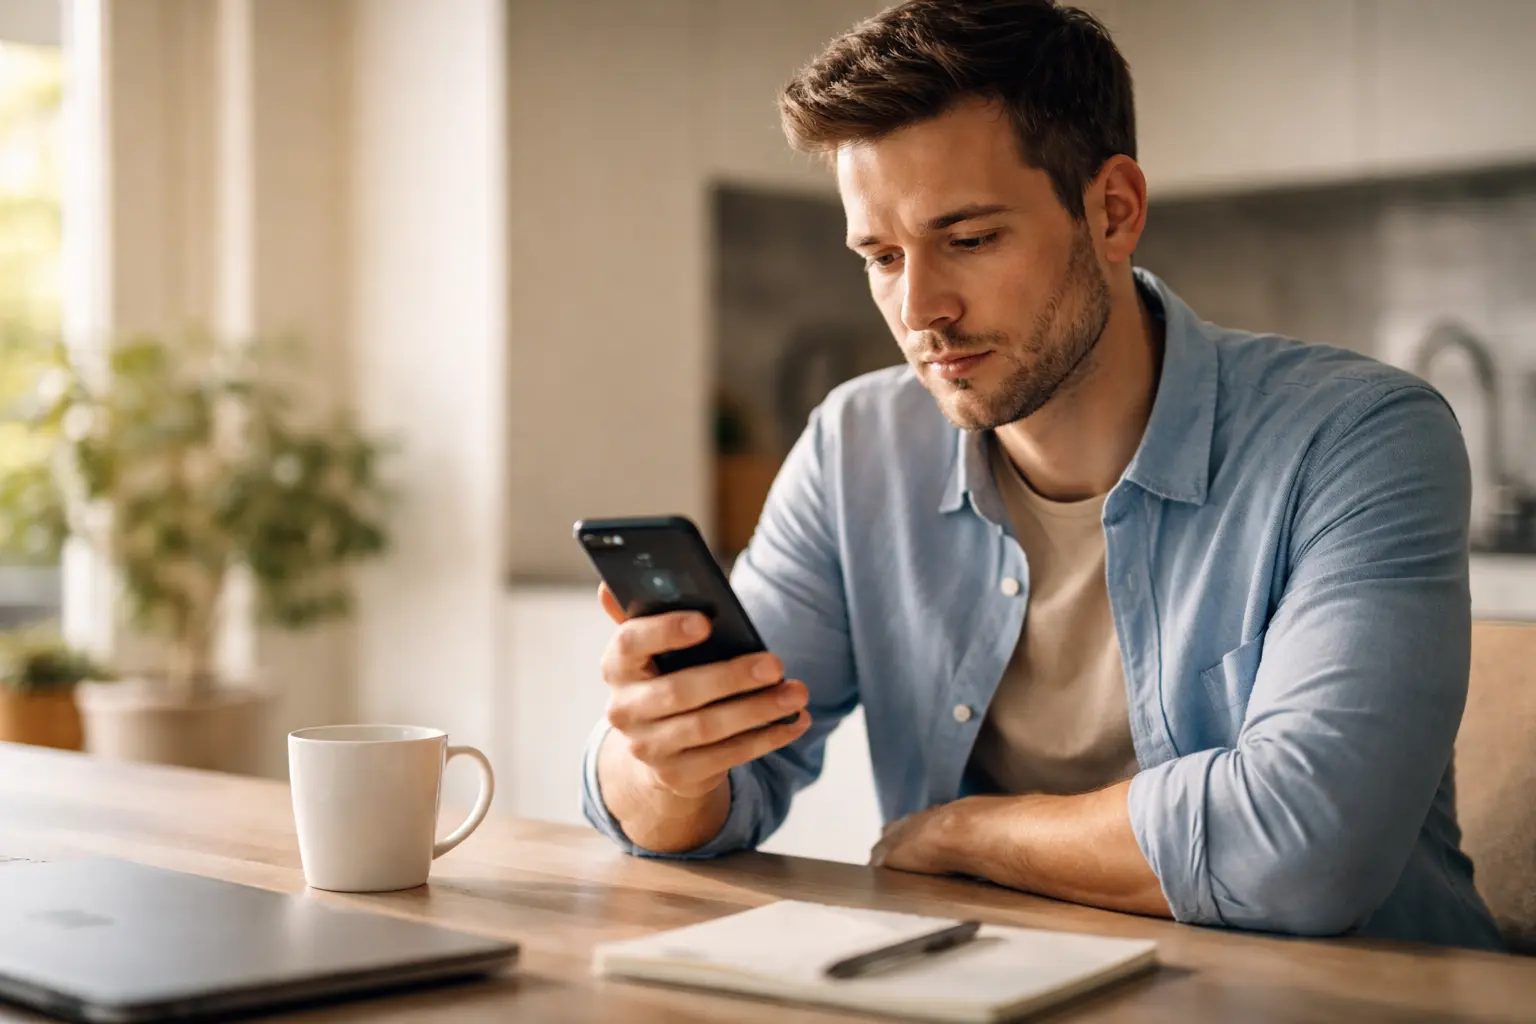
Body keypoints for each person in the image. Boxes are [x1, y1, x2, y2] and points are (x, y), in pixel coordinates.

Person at [579, 0, 1504, 950]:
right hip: (988, 990)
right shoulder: (856, 444)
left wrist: (960, 832)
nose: (919, 308)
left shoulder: (1357, 438)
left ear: (1113, 211)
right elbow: (714, 796)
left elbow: (1305, 852)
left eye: (970, 239)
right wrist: (663, 764)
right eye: (881, 256)